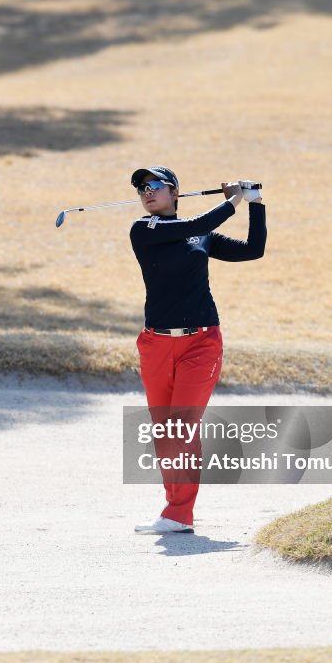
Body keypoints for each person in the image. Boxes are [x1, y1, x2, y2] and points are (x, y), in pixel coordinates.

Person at [128, 166, 266, 534]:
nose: (147, 192)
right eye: (142, 188)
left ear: (175, 192)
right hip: (156, 343)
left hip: (201, 342)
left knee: (183, 426)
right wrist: (234, 199)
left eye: (155, 185)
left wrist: (255, 203)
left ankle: (178, 513)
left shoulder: (200, 235)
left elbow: (253, 251)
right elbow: (190, 227)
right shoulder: (144, 230)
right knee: (164, 430)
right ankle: (173, 509)